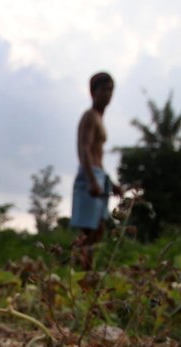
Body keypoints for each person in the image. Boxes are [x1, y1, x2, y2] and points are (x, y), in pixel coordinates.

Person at [71, 72, 122, 261]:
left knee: (98, 229)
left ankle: (87, 275)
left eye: (110, 89)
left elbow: (97, 155)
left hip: (99, 175)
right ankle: (79, 275)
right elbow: (84, 148)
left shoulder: (100, 119)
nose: (108, 94)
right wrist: (92, 180)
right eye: (103, 89)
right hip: (89, 176)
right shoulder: (89, 117)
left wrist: (110, 182)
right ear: (93, 92)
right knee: (88, 231)